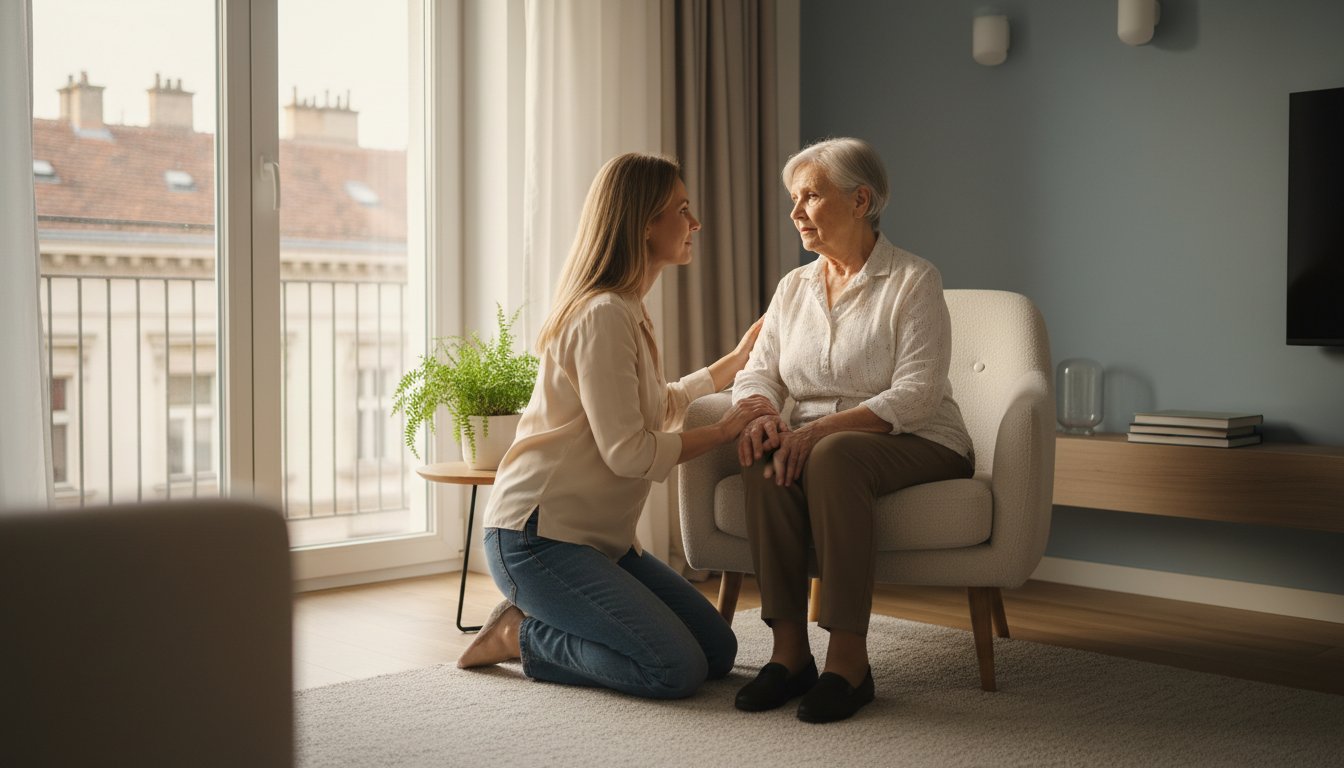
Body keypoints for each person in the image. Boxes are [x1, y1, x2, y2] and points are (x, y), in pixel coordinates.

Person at [455, 152, 773, 699]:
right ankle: (518, 634)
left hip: (597, 542)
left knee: (718, 652)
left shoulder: (627, 309)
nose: (695, 223)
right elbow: (629, 452)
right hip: (535, 539)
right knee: (673, 670)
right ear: (644, 223)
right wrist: (722, 432)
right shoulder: (602, 315)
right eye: (682, 208)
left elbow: (657, 405)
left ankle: (535, 623)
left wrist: (731, 364)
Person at [730, 137, 975, 723]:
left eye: (810, 196)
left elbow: (915, 394)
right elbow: (757, 372)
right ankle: (789, 656)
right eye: (794, 198)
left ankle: (849, 663)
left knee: (833, 454)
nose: (795, 213)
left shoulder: (913, 280)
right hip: (822, 445)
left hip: (918, 439)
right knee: (767, 457)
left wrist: (814, 434)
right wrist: (765, 415)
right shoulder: (794, 288)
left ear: (861, 199)